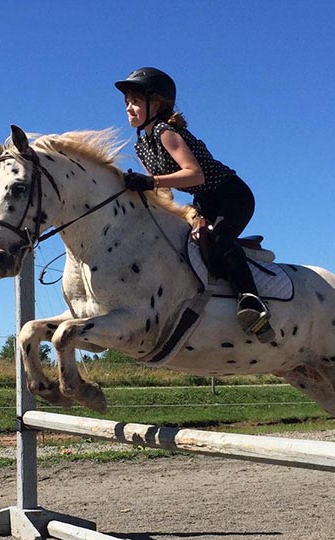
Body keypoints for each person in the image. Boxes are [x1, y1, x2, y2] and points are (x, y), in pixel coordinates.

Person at [115, 67, 274, 343]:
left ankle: (254, 304)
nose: (129, 108)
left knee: (221, 239)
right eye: (127, 102)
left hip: (230, 194)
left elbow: (194, 174)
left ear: (157, 104)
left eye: (136, 101)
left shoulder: (166, 132)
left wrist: (150, 181)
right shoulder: (141, 145)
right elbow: (162, 190)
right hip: (204, 200)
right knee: (189, 242)